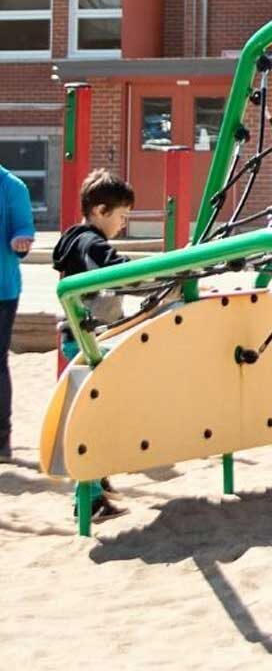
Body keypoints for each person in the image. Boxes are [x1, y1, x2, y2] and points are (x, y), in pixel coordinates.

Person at [53, 168, 135, 522]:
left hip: (78, 339)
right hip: (89, 341)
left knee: (92, 414)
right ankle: (88, 498)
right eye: (121, 216)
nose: (123, 224)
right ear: (100, 211)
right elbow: (117, 271)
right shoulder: (92, 243)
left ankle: (96, 482)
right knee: (93, 420)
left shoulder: (73, 238)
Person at [0, 163, 35, 463]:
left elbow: (23, 229)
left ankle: (1, 439)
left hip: (2, 289)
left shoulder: (12, 186)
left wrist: (20, 242)